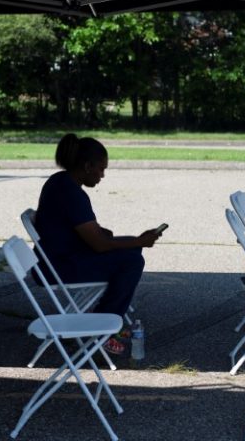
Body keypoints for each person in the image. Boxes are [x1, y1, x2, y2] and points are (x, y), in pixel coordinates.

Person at [34, 133, 161, 354]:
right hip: (59, 267)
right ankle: (103, 330)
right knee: (132, 261)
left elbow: (83, 230)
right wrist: (139, 240)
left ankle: (106, 319)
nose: (102, 175)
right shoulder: (72, 194)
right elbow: (100, 245)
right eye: (101, 169)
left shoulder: (59, 181)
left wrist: (134, 241)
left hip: (54, 259)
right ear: (87, 166)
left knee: (132, 249)